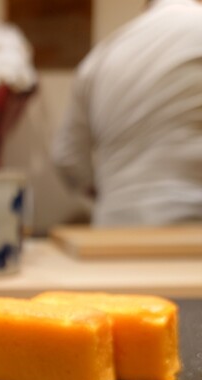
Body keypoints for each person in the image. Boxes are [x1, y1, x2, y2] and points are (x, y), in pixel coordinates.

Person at [53, 0, 202, 226]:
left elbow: (67, 158)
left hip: (115, 229)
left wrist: (112, 194)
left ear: (146, 6)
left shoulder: (100, 56)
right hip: (193, 225)